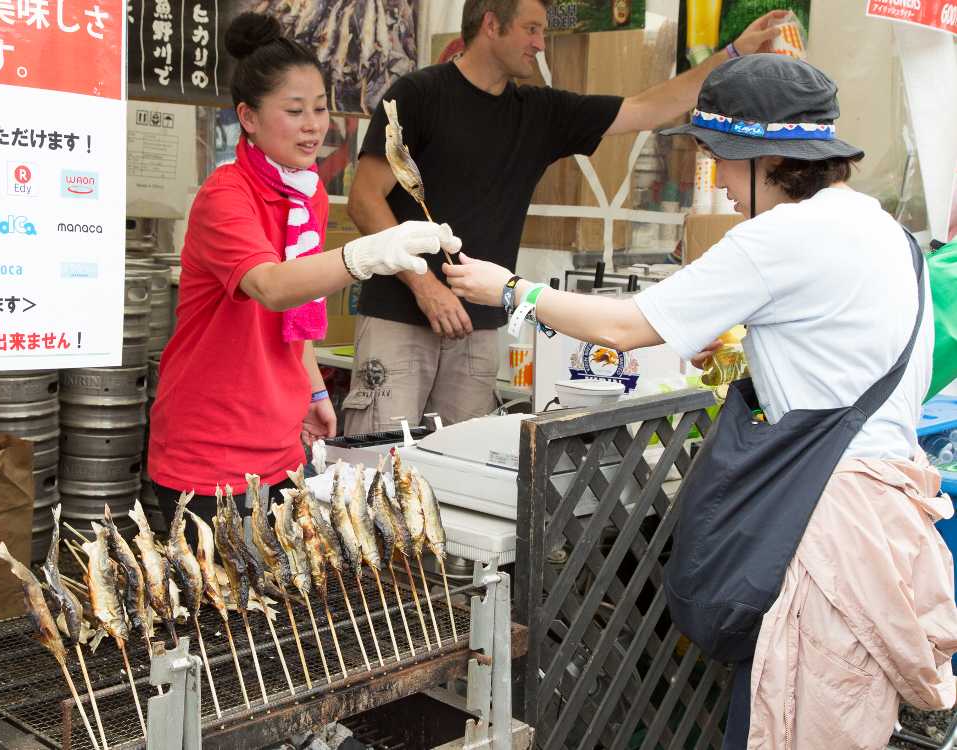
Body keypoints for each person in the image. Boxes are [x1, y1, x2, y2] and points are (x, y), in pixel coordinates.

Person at [444, 54, 957, 749]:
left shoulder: (779, 236)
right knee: (842, 709)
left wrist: (514, 291)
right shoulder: (880, 228)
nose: (716, 178)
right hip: (883, 506)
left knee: (795, 711)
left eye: (720, 159)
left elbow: (627, 327)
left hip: (821, 520)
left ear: (764, 159)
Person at [341, 0, 787, 434]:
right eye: (532, 29)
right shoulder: (418, 95)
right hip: (399, 316)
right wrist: (425, 287)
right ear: (492, 24)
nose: (541, 43)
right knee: (378, 466)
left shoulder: (540, 112)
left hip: (479, 328)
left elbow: (647, 109)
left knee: (458, 470)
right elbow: (364, 200)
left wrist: (733, 54)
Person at [147, 12, 461, 532]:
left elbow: (297, 310)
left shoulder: (308, 190)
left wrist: (313, 392)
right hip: (209, 443)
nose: (314, 125)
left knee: (279, 596)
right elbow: (271, 287)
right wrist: (364, 255)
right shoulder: (225, 196)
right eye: (295, 111)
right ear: (248, 117)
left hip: (279, 434)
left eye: (319, 108)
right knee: (222, 605)